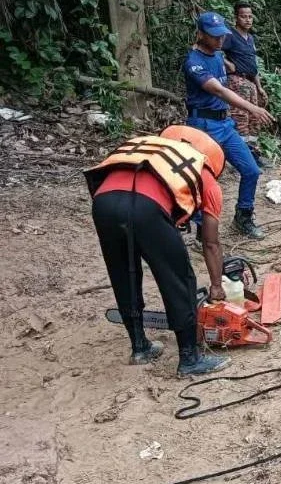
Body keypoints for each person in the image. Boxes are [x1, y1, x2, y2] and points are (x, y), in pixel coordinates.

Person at [85, 126, 232, 376]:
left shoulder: (152, 149)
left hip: (103, 202)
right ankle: (189, 359)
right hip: (146, 208)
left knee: (124, 272)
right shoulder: (204, 174)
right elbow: (210, 243)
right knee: (178, 278)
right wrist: (217, 286)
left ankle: (139, 347)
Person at [184, 10, 275, 240]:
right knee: (204, 179)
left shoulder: (217, 55)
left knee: (251, 170)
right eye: (214, 36)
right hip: (203, 125)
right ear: (201, 34)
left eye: (222, 35)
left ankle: (243, 217)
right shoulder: (193, 62)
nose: (220, 40)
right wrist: (252, 108)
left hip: (224, 124)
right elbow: (219, 90)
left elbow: (229, 73)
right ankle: (200, 232)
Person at [221, 2, 270, 161]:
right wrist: (229, 65)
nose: (248, 20)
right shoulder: (229, 35)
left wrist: (259, 86)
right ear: (236, 18)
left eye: (250, 17)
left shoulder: (250, 38)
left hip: (251, 82)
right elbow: (216, 51)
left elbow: (253, 64)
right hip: (236, 81)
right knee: (240, 118)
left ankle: (253, 154)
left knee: (254, 118)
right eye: (243, 16)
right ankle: (239, 157)